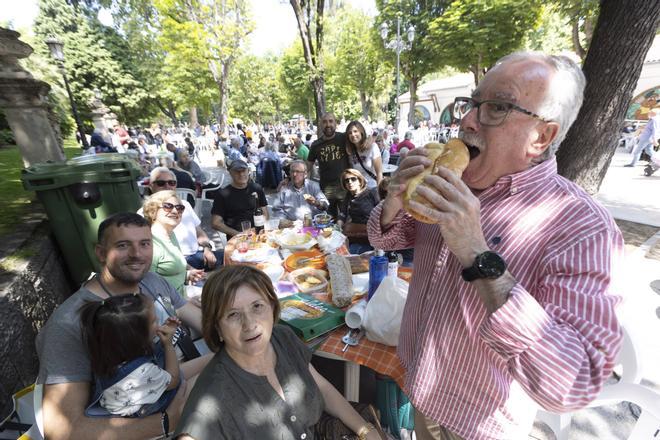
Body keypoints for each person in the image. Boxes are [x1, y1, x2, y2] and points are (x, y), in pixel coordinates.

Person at [367, 51, 624, 439]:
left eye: (498, 107)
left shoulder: (583, 226)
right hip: (419, 386)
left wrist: (477, 254)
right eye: (473, 104)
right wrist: (395, 200)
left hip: (480, 426)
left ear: (542, 136)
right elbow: (387, 238)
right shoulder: (453, 179)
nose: (468, 120)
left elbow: (575, 381)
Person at [36, 213, 208, 439]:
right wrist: (164, 422)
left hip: (164, 378)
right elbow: (59, 430)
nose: (137, 254)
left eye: (144, 244)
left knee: (234, 356)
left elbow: (197, 318)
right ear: (100, 253)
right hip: (148, 415)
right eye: (123, 245)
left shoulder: (151, 281)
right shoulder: (69, 324)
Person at [174, 265, 383, 440]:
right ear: (217, 328)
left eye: (257, 306)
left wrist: (364, 429)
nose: (250, 324)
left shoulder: (282, 338)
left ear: (272, 308)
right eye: (233, 315)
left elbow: (321, 387)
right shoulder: (213, 398)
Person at [79, 294, 182, 417]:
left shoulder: (106, 351)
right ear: (136, 338)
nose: (158, 321)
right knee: (185, 386)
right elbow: (174, 381)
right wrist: (168, 344)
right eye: (154, 321)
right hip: (140, 415)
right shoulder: (143, 372)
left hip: (123, 395)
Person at [146, 167, 223, 271]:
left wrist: (207, 249)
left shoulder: (184, 204)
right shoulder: (147, 212)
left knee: (234, 257)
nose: (167, 186)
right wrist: (188, 269)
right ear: (151, 186)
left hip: (198, 256)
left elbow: (200, 233)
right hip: (174, 263)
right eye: (161, 183)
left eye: (171, 183)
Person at [143, 191, 205, 295]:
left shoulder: (171, 235)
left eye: (179, 208)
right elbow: (147, 287)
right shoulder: (152, 244)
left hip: (181, 293)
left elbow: (166, 274)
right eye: (168, 206)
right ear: (153, 211)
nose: (175, 211)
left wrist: (187, 275)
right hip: (168, 304)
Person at [307, 113, 351, 219]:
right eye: (325, 122)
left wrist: (372, 139)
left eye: (331, 121)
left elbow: (361, 142)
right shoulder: (315, 145)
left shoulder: (344, 138)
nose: (328, 124)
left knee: (346, 219)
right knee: (329, 221)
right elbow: (307, 166)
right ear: (320, 125)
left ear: (335, 123)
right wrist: (290, 179)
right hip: (326, 190)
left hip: (345, 188)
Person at [211, 159, 268, 238]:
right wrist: (239, 234)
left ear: (248, 171)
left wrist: (260, 230)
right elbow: (215, 223)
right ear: (230, 173)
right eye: (237, 172)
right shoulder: (222, 194)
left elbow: (265, 214)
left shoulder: (257, 188)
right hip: (237, 237)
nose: (241, 174)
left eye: (243, 171)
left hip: (258, 234)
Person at [271, 160, 329, 225]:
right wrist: (282, 220)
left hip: (312, 226)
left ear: (305, 174)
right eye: (292, 171)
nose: (294, 174)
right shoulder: (284, 188)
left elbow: (326, 205)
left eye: (298, 172)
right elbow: (277, 209)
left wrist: (316, 203)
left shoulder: (313, 186)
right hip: (291, 227)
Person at [339, 168, 379, 254]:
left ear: (360, 181)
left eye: (353, 179)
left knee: (352, 254)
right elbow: (343, 213)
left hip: (372, 236)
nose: (350, 182)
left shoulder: (372, 193)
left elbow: (382, 213)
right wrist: (338, 227)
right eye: (347, 180)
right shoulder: (348, 195)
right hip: (355, 236)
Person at [345, 120, 383, 189]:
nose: (353, 134)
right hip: (358, 190)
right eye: (350, 133)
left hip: (372, 188)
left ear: (361, 132)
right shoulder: (351, 151)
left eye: (355, 131)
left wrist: (379, 191)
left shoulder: (372, 147)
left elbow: (379, 173)